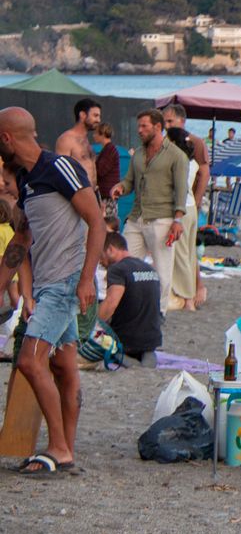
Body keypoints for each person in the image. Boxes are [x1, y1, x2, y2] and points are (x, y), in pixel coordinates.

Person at [0, 107, 106, 474]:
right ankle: (67, 450)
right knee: (61, 365)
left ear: (7, 138)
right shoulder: (29, 180)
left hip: (65, 284)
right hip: (48, 287)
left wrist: (85, 279)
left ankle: (59, 447)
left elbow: (97, 222)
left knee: (31, 361)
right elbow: (23, 239)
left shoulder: (59, 167)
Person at [109, 109, 188, 311]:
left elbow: (181, 190)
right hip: (136, 217)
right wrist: (121, 188)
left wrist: (177, 221)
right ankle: (126, 308)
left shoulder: (176, 156)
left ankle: (158, 312)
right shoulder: (139, 154)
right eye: (139, 126)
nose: (140, 130)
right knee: (123, 263)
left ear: (158, 127)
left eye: (144, 126)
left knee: (162, 271)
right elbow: (129, 181)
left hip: (162, 218)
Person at [162, 105, 210, 311]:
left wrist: (197, 200)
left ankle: (190, 293)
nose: (166, 126)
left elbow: (204, 173)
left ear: (182, 121)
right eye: (164, 121)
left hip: (186, 205)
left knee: (183, 251)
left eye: (170, 122)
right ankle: (189, 291)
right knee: (186, 251)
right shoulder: (167, 144)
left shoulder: (194, 144)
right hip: (186, 204)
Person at [98, 231, 163, 366]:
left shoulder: (117, 269)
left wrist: (93, 326)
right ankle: (147, 356)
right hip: (151, 339)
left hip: (126, 339)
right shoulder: (149, 269)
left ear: (110, 249)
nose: (101, 262)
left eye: (101, 256)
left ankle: (124, 358)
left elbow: (111, 303)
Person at [53, 97, 100, 171]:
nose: (98, 120)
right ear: (82, 115)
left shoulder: (85, 140)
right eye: (95, 115)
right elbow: (61, 172)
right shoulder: (66, 139)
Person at [92, 124, 119, 225]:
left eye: (96, 133)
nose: (94, 135)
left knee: (108, 224)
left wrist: (91, 163)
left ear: (102, 134)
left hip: (108, 196)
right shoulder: (106, 150)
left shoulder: (110, 150)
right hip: (105, 195)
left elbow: (101, 170)